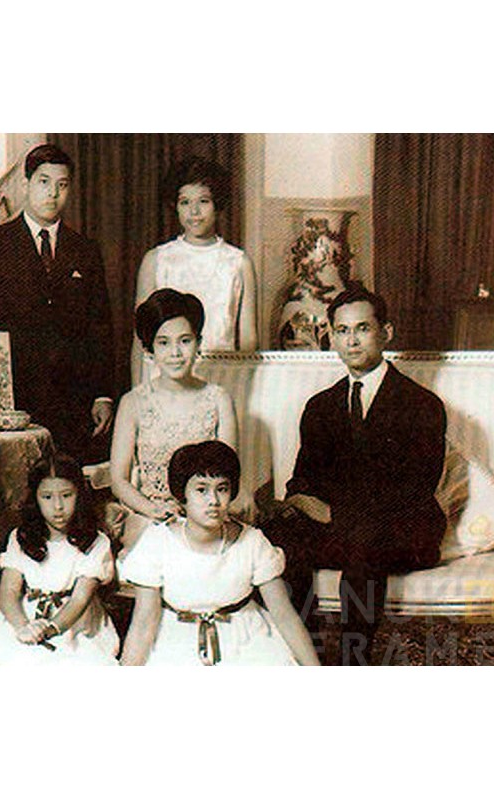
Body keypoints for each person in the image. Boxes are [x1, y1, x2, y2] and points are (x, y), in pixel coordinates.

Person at [262, 283, 447, 665]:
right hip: (339, 529)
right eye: (342, 331)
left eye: (362, 328)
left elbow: (414, 490)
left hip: (402, 530)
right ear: (331, 337)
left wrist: (335, 513)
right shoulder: (320, 406)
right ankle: (307, 658)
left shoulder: (421, 405)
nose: (352, 341)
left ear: (386, 332)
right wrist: (300, 503)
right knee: (277, 538)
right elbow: (303, 481)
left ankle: (352, 665)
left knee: (366, 543)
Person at [0, 143, 115, 463]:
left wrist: (102, 394)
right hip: (12, 400)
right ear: (26, 184)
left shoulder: (85, 251)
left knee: (68, 483)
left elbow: (100, 328)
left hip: (72, 402)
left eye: (62, 185)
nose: (52, 193)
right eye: (43, 182)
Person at [119, 441, 319, 666]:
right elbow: (143, 623)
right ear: (182, 494)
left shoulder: (252, 541)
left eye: (222, 489)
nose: (213, 501)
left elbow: (285, 616)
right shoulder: (158, 542)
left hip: (247, 643)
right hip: (176, 644)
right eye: (201, 490)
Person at [0, 453, 119, 666]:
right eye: (47, 497)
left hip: (72, 624)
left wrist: (51, 628)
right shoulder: (21, 537)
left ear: (79, 495)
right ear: (35, 498)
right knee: (3, 656)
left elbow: (80, 599)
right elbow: (9, 591)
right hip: (24, 617)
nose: (58, 506)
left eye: (66, 495)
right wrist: (23, 627)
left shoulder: (95, 541)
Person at [110, 289, 237, 552]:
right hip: (152, 517)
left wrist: (199, 512)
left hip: (207, 515)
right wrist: (152, 509)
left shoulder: (219, 399)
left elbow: (227, 472)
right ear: (149, 349)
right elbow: (119, 480)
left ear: (198, 343)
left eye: (185, 341)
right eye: (163, 343)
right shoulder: (133, 403)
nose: (175, 353)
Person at [132, 156, 257, 384]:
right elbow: (139, 340)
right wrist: (138, 394)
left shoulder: (239, 263)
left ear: (217, 204)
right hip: (164, 382)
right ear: (175, 206)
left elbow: (248, 341)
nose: (194, 211)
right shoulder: (156, 260)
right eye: (185, 202)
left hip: (223, 379)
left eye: (203, 201)